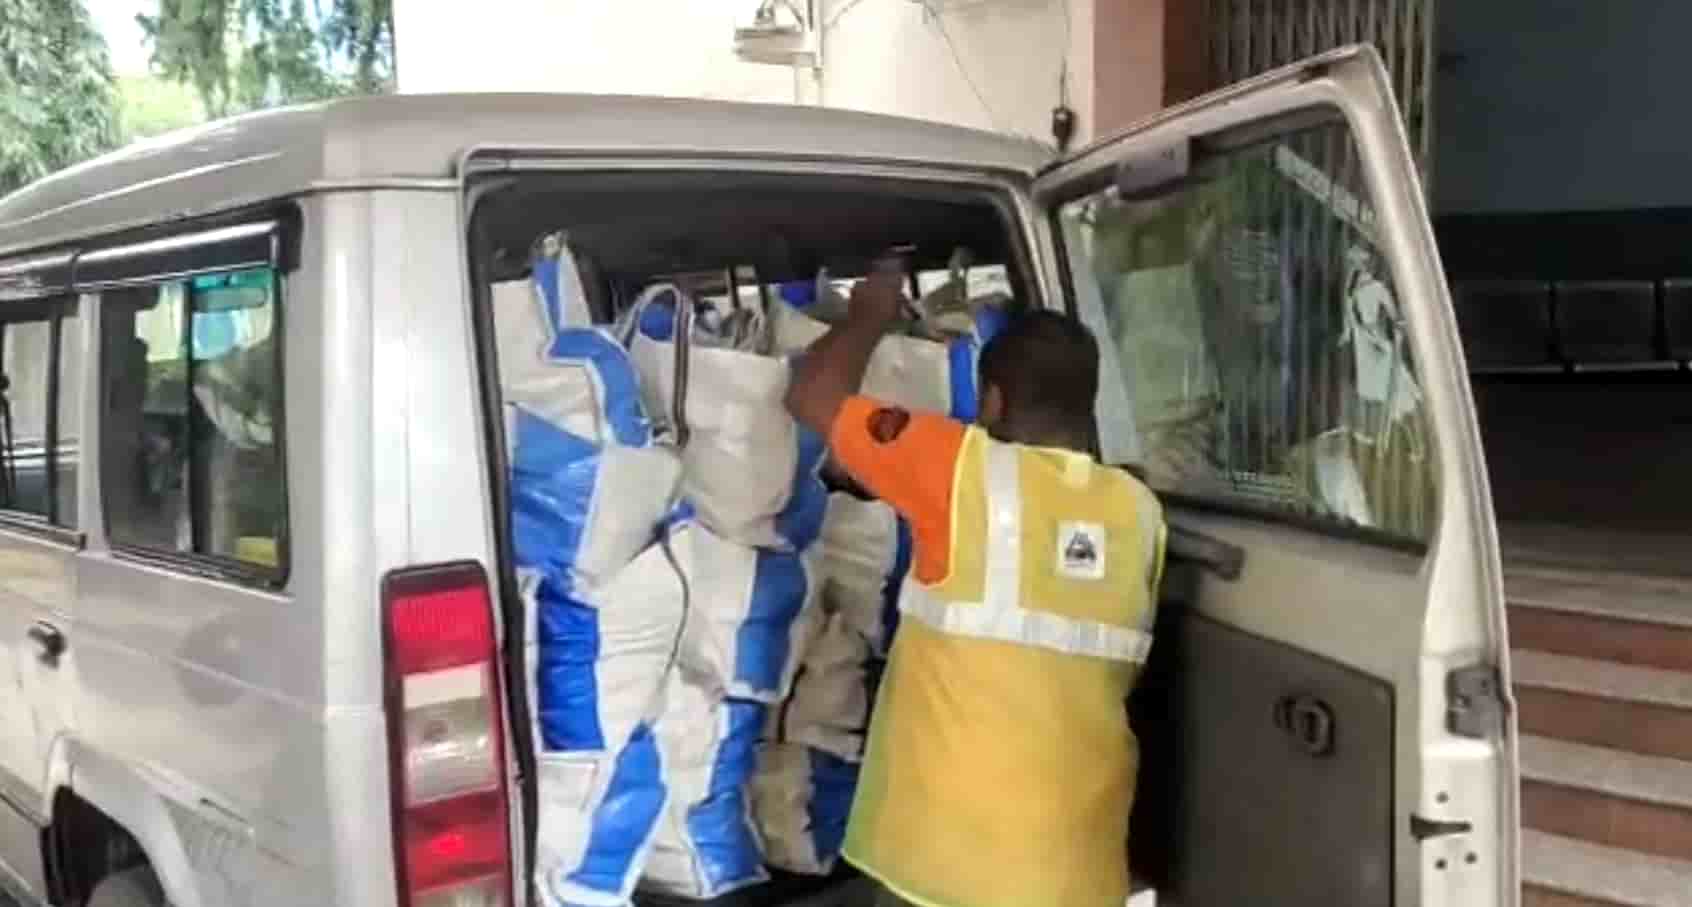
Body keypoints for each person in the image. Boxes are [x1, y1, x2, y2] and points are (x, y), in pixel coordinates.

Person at [785, 258, 1168, 907]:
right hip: (1078, 874)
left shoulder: (959, 467)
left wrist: (869, 315)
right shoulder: (1140, 510)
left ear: (992, 401)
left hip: (947, 873)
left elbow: (810, 397)